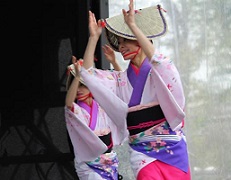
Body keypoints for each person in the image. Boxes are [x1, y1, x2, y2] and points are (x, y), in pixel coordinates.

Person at [80, 1, 191, 179]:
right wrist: (93, 37)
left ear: (140, 40)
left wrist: (132, 24)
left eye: (126, 41)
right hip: (142, 153)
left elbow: (158, 61)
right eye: (120, 42)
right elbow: (87, 75)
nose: (121, 47)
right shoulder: (119, 79)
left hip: (172, 148)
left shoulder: (159, 70)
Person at [64, 55, 126, 180]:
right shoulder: (76, 110)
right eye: (76, 86)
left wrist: (114, 62)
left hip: (109, 161)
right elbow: (69, 104)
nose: (78, 91)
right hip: (88, 164)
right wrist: (77, 77)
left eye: (83, 85)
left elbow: (122, 86)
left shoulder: (103, 104)